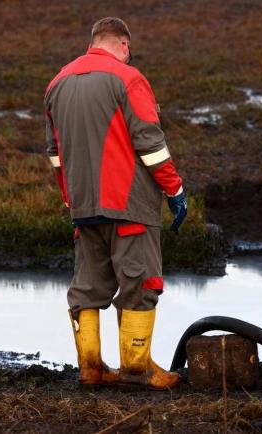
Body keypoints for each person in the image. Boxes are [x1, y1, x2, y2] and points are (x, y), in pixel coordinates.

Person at [44, 17, 187, 390]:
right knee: (141, 282)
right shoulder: (128, 78)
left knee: (87, 287)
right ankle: (138, 370)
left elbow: (55, 154)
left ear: (93, 42)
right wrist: (175, 191)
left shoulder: (57, 83)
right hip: (130, 206)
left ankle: (90, 368)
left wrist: (70, 198)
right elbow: (150, 144)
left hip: (83, 207)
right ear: (123, 44)